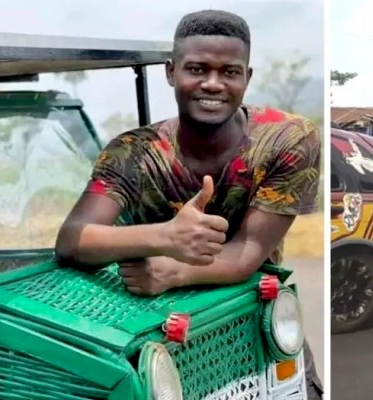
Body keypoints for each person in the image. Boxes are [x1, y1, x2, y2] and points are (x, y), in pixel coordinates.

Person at [54, 9, 323, 398]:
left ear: (246, 79)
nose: (213, 84)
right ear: (170, 71)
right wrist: (163, 236)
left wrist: (173, 271)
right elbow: (71, 239)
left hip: (251, 319)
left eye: (229, 72)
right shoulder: (134, 154)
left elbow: (247, 253)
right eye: (197, 69)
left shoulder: (288, 140)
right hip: (157, 335)